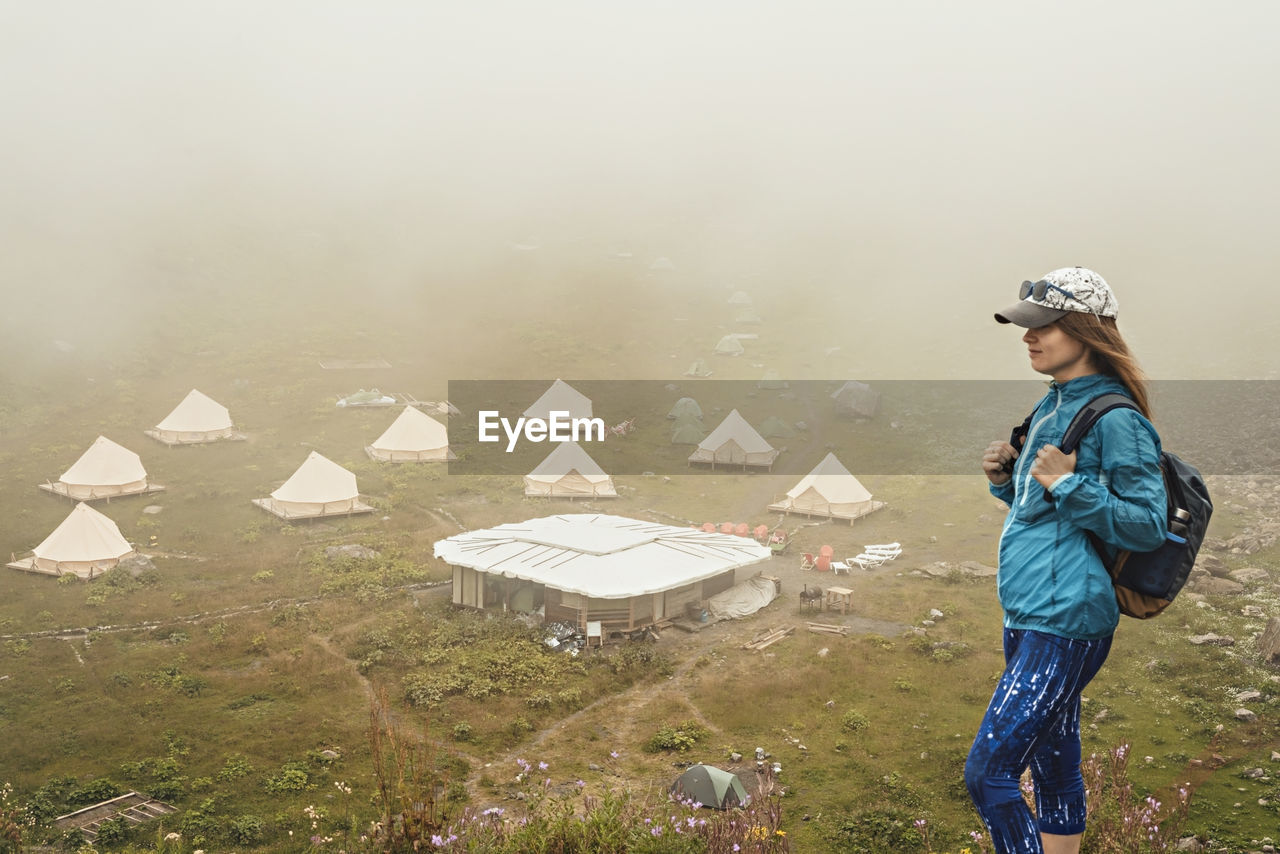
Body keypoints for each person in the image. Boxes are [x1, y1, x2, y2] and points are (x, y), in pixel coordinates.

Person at [965, 267, 1168, 854]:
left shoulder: (1119, 420)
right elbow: (1043, 513)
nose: (1028, 337)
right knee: (1054, 765)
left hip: (1066, 620)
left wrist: (1067, 485)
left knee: (989, 775)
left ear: (1083, 329)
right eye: (1024, 327)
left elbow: (1148, 524)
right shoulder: (1051, 406)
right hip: (1030, 612)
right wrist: (1008, 481)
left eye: (1043, 326)